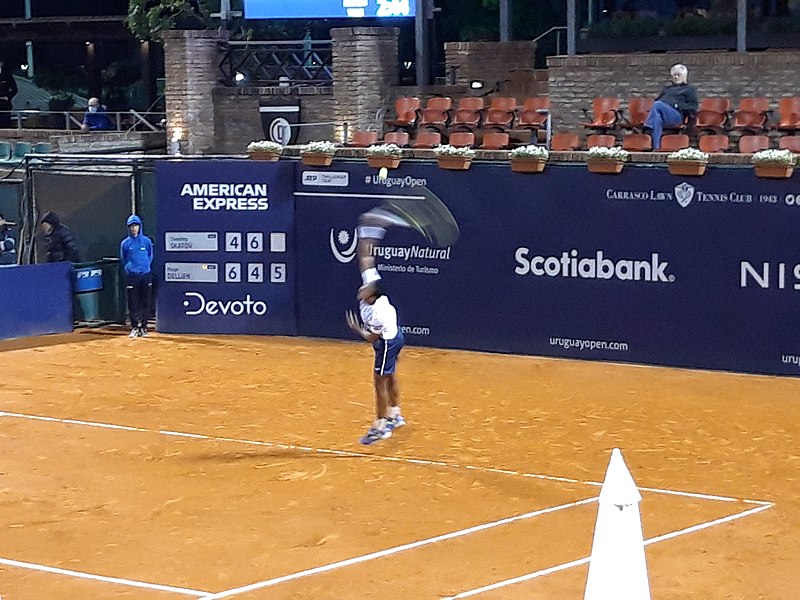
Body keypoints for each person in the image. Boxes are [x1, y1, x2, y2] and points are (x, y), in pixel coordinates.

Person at [345, 282, 406, 445]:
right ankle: (394, 415)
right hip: (393, 337)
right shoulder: (368, 301)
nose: (362, 288)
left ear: (372, 295)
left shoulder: (378, 313)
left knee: (379, 381)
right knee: (390, 375)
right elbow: (366, 264)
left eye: (366, 289)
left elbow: (372, 337)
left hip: (388, 342)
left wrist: (356, 328)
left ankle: (380, 427)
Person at [643, 63, 698, 150]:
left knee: (657, 105)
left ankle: (647, 126)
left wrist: (678, 105)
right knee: (657, 119)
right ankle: (656, 148)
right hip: (663, 113)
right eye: (674, 75)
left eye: (678, 75)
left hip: (677, 115)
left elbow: (693, 107)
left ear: (684, 76)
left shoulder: (689, 89)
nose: (676, 77)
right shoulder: (667, 89)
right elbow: (657, 100)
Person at [120, 214, 154, 338]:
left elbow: (150, 255)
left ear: (140, 227)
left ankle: (144, 328)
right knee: (132, 303)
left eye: (136, 226)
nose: (134, 228)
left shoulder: (147, 241)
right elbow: (123, 258)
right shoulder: (125, 243)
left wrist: (145, 268)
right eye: (131, 226)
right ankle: (134, 327)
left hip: (145, 275)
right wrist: (131, 268)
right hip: (131, 277)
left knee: (146, 302)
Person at [0, 60, 18, 129]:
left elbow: (14, 89)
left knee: (5, 124)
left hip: (4, 105)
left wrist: (8, 97)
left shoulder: (7, 74)